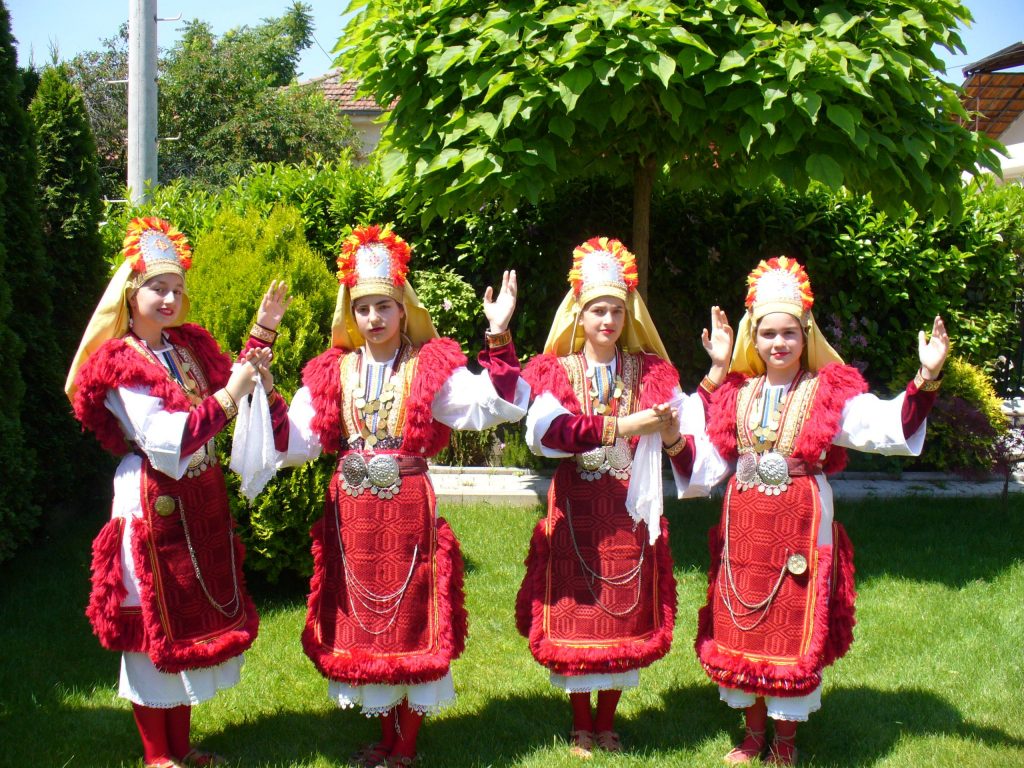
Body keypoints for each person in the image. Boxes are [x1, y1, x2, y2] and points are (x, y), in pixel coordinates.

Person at [271, 224, 528, 768]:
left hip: (408, 509)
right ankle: (384, 733)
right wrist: (263, 389)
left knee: (410, 616)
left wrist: (499, 336)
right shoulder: (332, 372)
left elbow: (495, 404)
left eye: (384, 306)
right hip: (353, 516)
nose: (374, 319)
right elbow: (294, 439)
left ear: (401, 306)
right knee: (369, 621)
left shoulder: (428, 367)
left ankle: (405, 745)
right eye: (363, 309)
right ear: (351, 313)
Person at [682, 256, 949, 765]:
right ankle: (752, 735)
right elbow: (707, 462)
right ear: (752, 340)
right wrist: (674, 439)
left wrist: (926, 377)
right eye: (768, 334)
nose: (778, 344)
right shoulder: (735, 395)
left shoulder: (828, 392)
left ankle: (785, 742)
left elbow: (886, 429)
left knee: (792, 623)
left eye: (789, 333)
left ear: (805, 336)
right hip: (744, 527)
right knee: (744, 624)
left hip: (801, 525)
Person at [65, 217, 292, 768]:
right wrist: (232, 396)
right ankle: (155, 755)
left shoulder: (185, 347)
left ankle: (182, 746)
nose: (169, 298)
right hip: (153, 503)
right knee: (153, 622)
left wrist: (261, 333)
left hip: (200, 498)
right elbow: (169, 439)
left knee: (189, 618)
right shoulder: (119, 363)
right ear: (130, 293)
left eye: (177, 289)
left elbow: (230, 377)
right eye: (156, 288)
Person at [516, 237, 729, 758]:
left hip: (628, 510)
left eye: (616, 310)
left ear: (627, 314)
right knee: (578, 612)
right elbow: (549, 432)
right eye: (597, 310)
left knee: (620, 612)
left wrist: (718, 371)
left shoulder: (649, 371)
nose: (607, 320)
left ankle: (606, 721)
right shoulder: (555, 371)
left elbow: (686, 420)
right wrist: (625, 424)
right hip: (576, 511)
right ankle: (578, 724)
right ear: (579, 314)